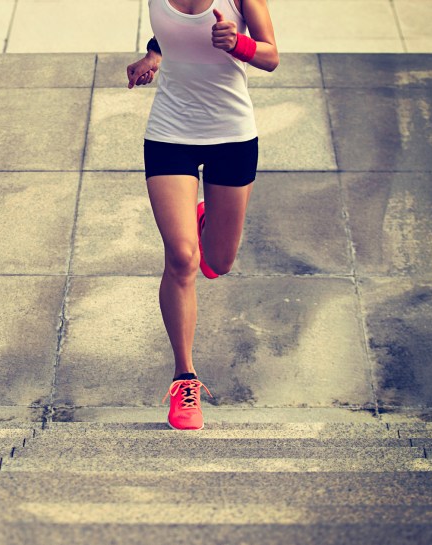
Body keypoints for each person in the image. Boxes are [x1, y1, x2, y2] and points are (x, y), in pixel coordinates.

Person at [126, 0, 278, 430]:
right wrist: (154, 54)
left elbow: (271, 56)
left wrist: (240, 44)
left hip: (232, 135)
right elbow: (172, 32)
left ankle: (204, 222)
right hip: (170, 132)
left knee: (218, 262)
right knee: (181, 258)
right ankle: (184, 378)